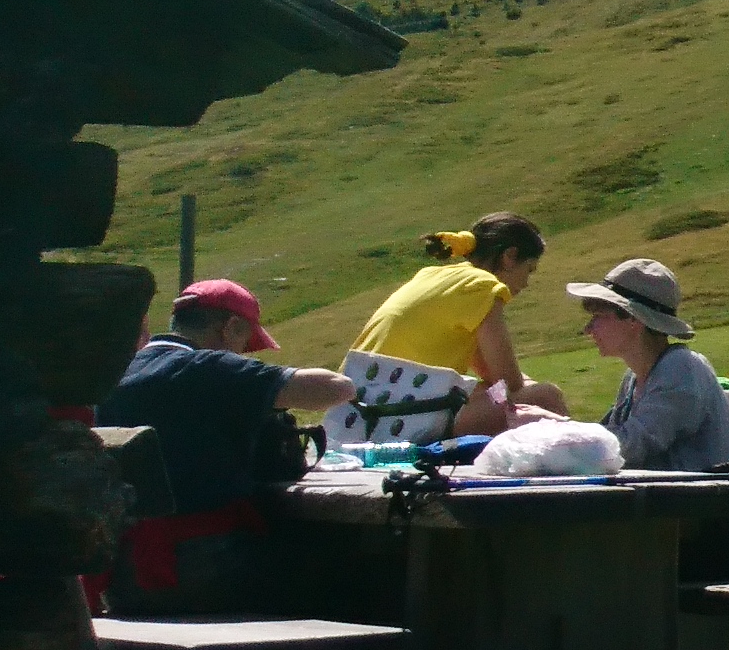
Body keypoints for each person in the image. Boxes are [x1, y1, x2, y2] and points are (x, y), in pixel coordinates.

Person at [100, 278, 346, 610]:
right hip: (204, 568)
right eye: (244, 342)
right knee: (348, 564)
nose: (243, 353)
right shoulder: (210, 368)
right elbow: (336, 387)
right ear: (231, 328)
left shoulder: (118, 372)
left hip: (125, 575)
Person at [340, 213, 558, 445]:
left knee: (491, 392)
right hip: (404, 419)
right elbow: (509, 384)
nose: (526, 283)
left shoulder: (433, 276)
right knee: (545, 396)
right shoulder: (482, 287)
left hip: (354, 416)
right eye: (529, 270)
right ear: (509, 256)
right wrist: (531, 387)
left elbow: (492, 376)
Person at [567, 256, 729, 469]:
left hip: (704, 491)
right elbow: (609, 438)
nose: (588, 329)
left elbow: (629, 447)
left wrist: (563, 442)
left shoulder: (681, 368)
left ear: (633, 319)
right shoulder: (633, 378)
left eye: (598, 316)